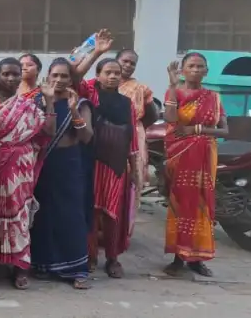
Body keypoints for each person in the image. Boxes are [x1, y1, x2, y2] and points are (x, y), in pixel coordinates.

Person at [0, 58, 47, 290]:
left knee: (20, 215)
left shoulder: (28, 105)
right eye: (6, 74)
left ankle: (20, 266)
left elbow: (48, 133)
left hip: (21, 168)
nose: (11, 78)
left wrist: (51, 102)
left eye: (16, 73)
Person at [30, 59, 94, 289]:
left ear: (71, 79)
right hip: (44, 162)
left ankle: (77, 270)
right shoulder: (38, 100)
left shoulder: (80, 103)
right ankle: (44, 264)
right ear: (48, 76)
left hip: (69, 163)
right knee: (43, 214)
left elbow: (86, 137)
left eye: (64, 76)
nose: (59, 80)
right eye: (55, 75)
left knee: (71, 215)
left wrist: (73, 110)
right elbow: (40, 132)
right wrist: (48, 102)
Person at [162, 53, 227, 277]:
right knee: (181, 203)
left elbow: (224, 130)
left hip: (205, 157)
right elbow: (171, 119)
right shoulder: (175, 92)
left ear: (206, 71)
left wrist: (196, 129)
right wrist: (172, 85)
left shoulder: (214, 97)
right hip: (181, 156)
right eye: (191, 66)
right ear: (183, 70)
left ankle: (197, 258)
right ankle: (178, 257)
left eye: (200, 66)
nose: (196, 70)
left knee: (202, 205)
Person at [83, 58, 137, 278]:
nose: (113, 76)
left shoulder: (127, 103)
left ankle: (113, 258)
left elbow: (131, 137)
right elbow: (77, 76)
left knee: (113, 214)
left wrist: (135, 171)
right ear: (98, 75)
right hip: (92, 162)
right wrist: (95, 52)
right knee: (91, 211)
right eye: (108, 72)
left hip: (116, 166)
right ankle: (90, 256)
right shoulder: (90, 96)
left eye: (116, 73)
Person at [116, 49, 158, 202]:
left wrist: (137, 127)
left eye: (132, 63)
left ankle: (129, 211)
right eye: (125, 61)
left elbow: (152, 114)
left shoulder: (140, 89)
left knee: (132, 176)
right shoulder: (101, 84)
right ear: (116, 61)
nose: (128, 65)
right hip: (109, 136)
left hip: (133, 135)